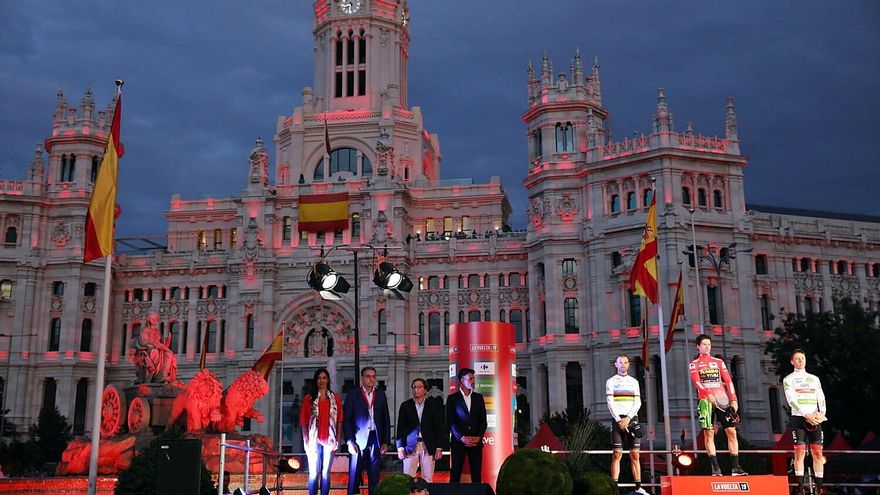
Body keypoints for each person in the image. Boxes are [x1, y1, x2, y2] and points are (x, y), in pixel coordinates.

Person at [689, 334, 747, 476]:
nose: (707, 347)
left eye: (709, 344)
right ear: (698, 346)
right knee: (708, 434)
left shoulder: (719, 362)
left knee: (731, 431)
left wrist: (733, 399)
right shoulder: (694, 364)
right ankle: (715, 468)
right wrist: (707, 393)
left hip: (722, 399)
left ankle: (735, 468)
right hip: (705, 401)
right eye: (704, 344)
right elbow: (696, 381)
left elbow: (728, 381)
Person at [783, 349, 827, 495]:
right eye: (797, 359)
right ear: (792, 361)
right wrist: (805, 414)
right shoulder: (788, 379)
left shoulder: (814, 379)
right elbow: (791, 400)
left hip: (815, 418)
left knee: (817, 453)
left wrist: (822, 413)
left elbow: (821, 397)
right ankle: (801, 488)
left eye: (803, 358)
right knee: (799, 453)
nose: (801, 361)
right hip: (798, 418)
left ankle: (820, 487)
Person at [343, 366, 390, 495]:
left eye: (374, 376)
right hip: (358, 440)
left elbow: (386, 418)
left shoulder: (380, 394)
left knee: (374, 478)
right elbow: (346, 419)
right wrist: (350, 441)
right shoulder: (353, 394)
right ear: (362, 378)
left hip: (375, 439)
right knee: (354, 477)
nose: (371, 379)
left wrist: (386, 441)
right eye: (368, 376)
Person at [606, 355, 646, 494]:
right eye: (620, 363)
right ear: (616, 365)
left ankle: (638, 487)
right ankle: (614, 487)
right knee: (617, 454)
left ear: (628, 365)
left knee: (635, 455)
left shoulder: (634, 382)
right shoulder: (611, 381)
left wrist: (628, 418)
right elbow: (610, 403)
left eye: (625, 362)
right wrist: (618, 419)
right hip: (617, 420)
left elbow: (638, 402)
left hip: (631, 419)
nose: (623, 365)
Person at [300, 368, 343, 495]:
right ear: (316, 380)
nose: (322, 381)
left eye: (324, 378)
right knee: (313, 472)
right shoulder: (309, 399)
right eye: (319, 378)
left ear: (328, 380)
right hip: (313, 440)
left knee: (325, 472)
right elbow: (303, 420)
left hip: (329, 439)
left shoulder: (335, 398)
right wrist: (305, 439)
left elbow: (339, 419)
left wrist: (338, 438)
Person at [396, 378, 447, 482]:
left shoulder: (433, 405)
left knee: (428, 478)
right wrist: (400, 447)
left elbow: (438, 427)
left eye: (419, 387)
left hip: (428, 445)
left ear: (425, 390)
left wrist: (439, 447)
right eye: (414, 387)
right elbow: (400, 427)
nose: (416, 389)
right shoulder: (405, 406)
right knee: (407, 479)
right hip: (410, 446)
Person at [446, 367, 487, 483]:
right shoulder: (452, 399)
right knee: (455, 472)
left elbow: (483, 421)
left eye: (474, 378)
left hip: (475, 442)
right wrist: (462, 438)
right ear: (462, 381)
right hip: (459, 443)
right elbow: (450, 421)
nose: (473, 381)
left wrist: (478, 437)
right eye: (470, 379)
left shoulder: (479, 398)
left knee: (476, 473)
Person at [129, 311, 177, 383]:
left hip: (159, 350)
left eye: (156, 319)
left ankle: (161, 376)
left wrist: (167, 340)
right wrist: (155, 344)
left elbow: (162, 344)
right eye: (152, 319)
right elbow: (143, 342)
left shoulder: (157, 331)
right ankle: (151, 374)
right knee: (154, 352)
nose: (155, 320)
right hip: (147, 350)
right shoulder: (145, 330)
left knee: (169, 355)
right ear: (148, 320)